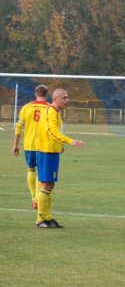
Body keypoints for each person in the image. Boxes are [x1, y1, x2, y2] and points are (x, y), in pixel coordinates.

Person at [35, 89, 85, 228]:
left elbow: (49, 131)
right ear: (55, 99)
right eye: (64, 97)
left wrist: (59, 145)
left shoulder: (54, 112)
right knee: (46, 184)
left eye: (67, 97)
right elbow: (52, 131)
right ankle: (40, 220)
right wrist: (70, 141)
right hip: (46, 152)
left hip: (51, 151)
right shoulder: (51, 111)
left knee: (50, 185)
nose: (67, 100)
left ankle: (48, 218)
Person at [12, 84, 50, 209]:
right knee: (41, 172)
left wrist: (16, 144)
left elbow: (18, 127)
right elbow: (53, 129)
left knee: (31, 169)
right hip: (44, 145)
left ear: (35, 94)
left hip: (29, 144)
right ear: (47, 94)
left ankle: (34, 198)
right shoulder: (50, 108)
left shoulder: (26, 107)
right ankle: (39, 199)